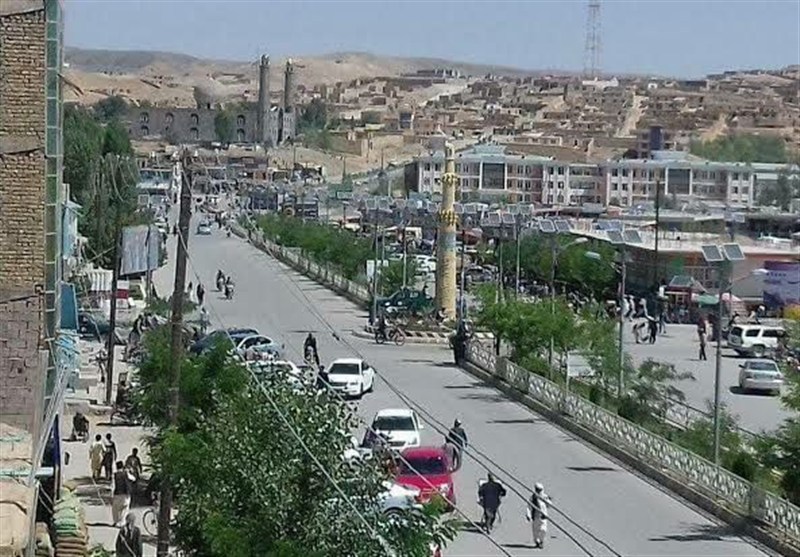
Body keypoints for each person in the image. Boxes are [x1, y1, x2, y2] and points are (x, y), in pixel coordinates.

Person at [526, 482, 551, 549]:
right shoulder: (532, 498)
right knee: (536, 530)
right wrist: (528, 515)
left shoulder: (544, 496)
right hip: (535, 516)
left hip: (543, 517)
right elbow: (529, 506)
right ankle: (537, 542)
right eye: (537, 490)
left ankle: (541, 541)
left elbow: (549, 505)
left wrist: (547, 500)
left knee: (543, 530)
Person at [112, 461, 132, 526]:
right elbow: (133, 479)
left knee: (115, 509)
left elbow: (112, 485)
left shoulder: (115, 475)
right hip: (126, 494)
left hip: (117, 494)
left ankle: (116, 521)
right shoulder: (126, 474)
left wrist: (111, 494)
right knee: (124, 509)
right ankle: (122, 522)